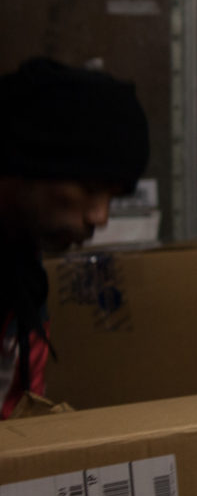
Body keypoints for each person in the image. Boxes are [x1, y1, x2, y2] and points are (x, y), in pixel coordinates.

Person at [0, 58, 149, 418]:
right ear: (26, 163)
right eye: (90, 189)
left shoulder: (23, 271)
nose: (100, 217)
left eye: (113, 197)